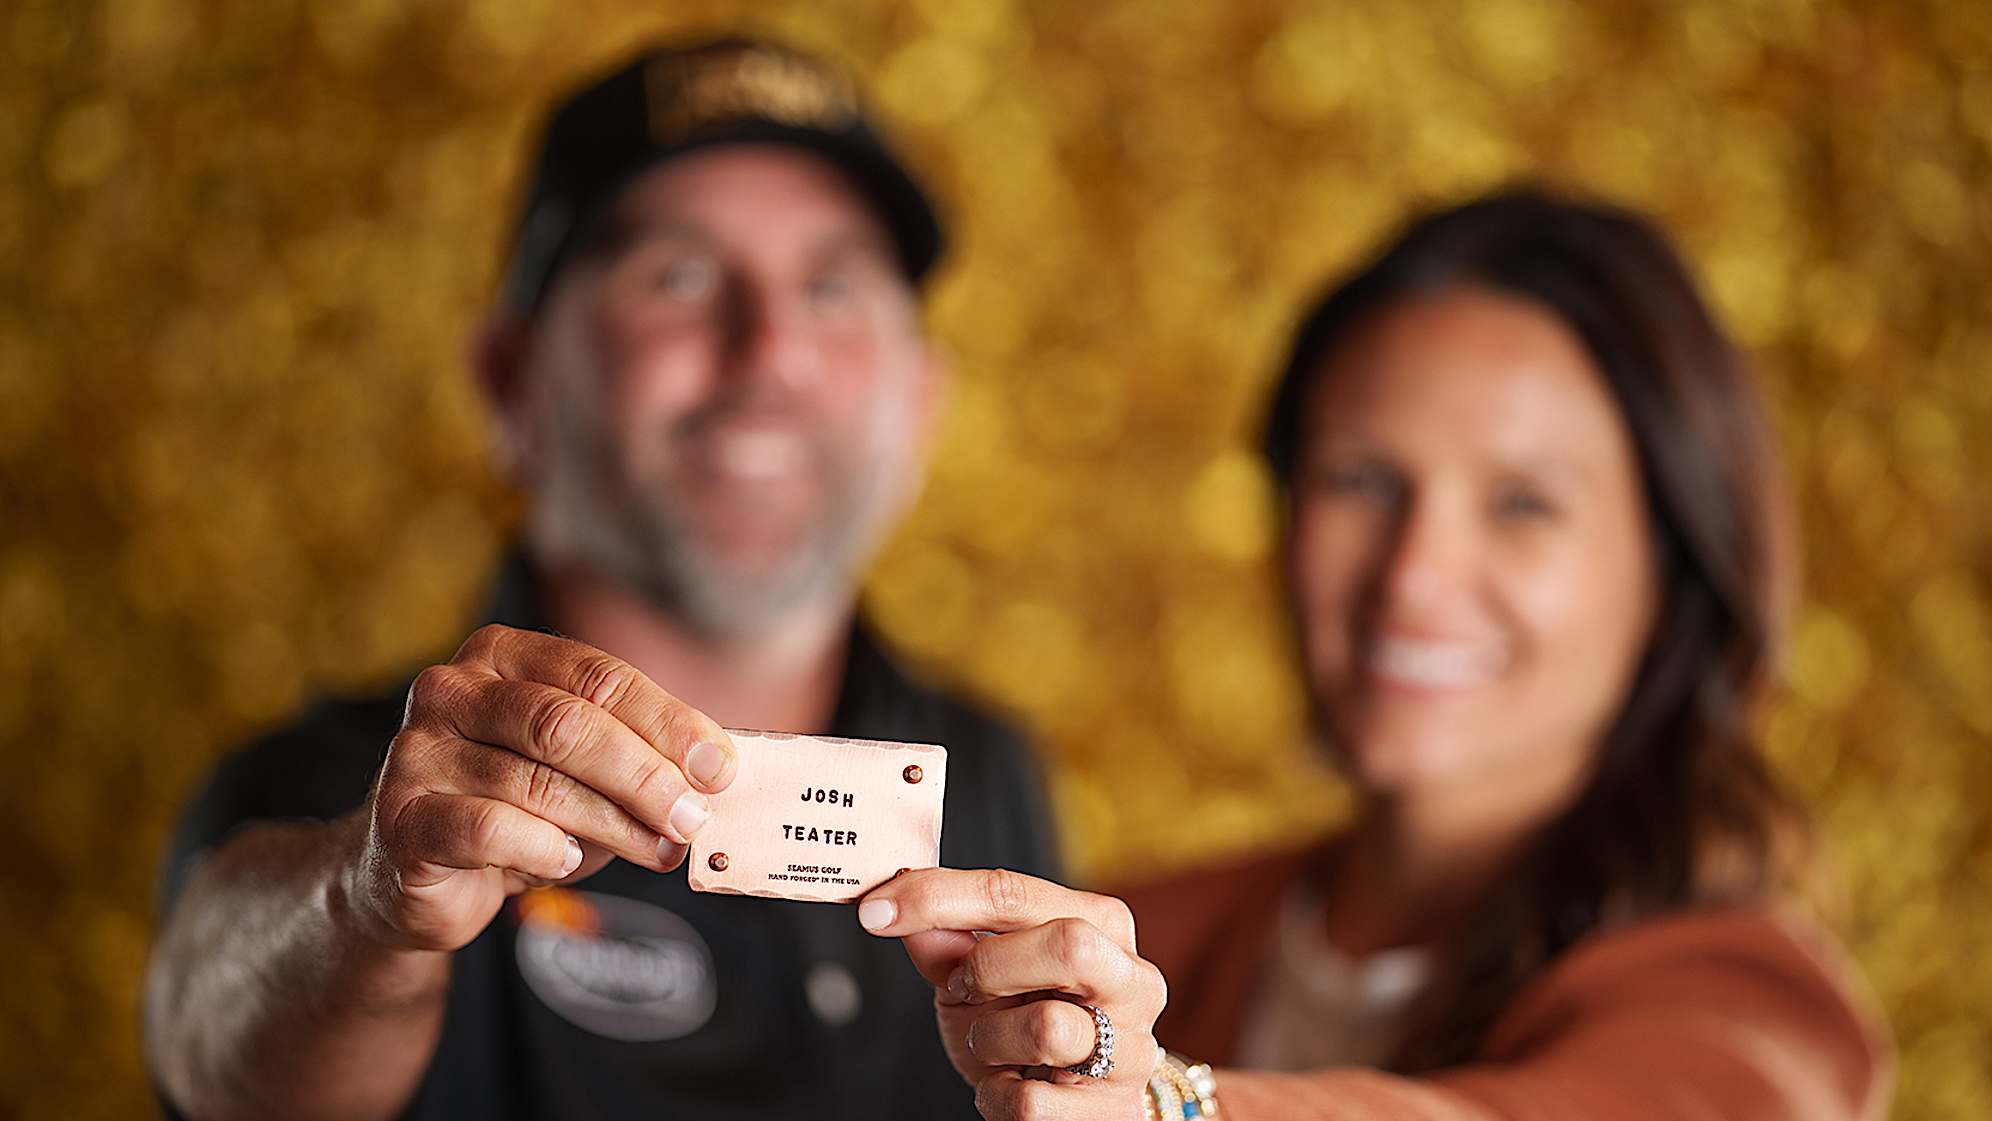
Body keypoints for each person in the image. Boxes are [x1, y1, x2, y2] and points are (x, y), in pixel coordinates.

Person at [143, 36, 1056, 1121]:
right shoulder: (346, 789)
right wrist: (366, 891)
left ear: (919, 404)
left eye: (832, 285)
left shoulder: (990, 771)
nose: (769, 348)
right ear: (510, 382)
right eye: (677, 276)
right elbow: (213, 1052)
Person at [853, 190, 1893, 1121]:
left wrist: (1165, 1105)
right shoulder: (1126, 945)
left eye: (1522, 503)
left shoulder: (1758, 1006)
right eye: (1364, 481)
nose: (1412, 576)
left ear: (1673, 572)